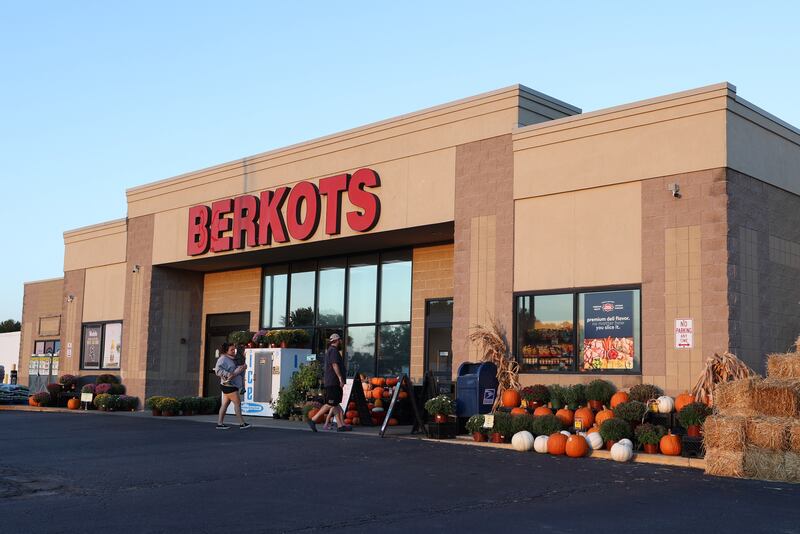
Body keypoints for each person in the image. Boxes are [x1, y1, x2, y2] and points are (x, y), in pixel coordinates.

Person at [308, 333, 350, 432]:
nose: (340, 342)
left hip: (333, 382)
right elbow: (335, 365)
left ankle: (340, 425)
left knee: (335, 404)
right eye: (339, 340)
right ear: (336, 341)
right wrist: (340, 378)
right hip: (333, 382)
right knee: (330, 403)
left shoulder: (332, 351)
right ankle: (313, 420)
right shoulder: (333, 351)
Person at [214, 342, 251, 430]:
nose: (234, 351)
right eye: (232, 350)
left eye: (234, 349)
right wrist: (228, 374)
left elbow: (237, 370)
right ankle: (242, 424)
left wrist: (243, 368)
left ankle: (220, 424)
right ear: (226, 351)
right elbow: (217, 370)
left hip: (230, 384)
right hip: (229, 385)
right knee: (237, 404)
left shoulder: (233, 358)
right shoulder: (223, 359)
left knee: (225, 404)